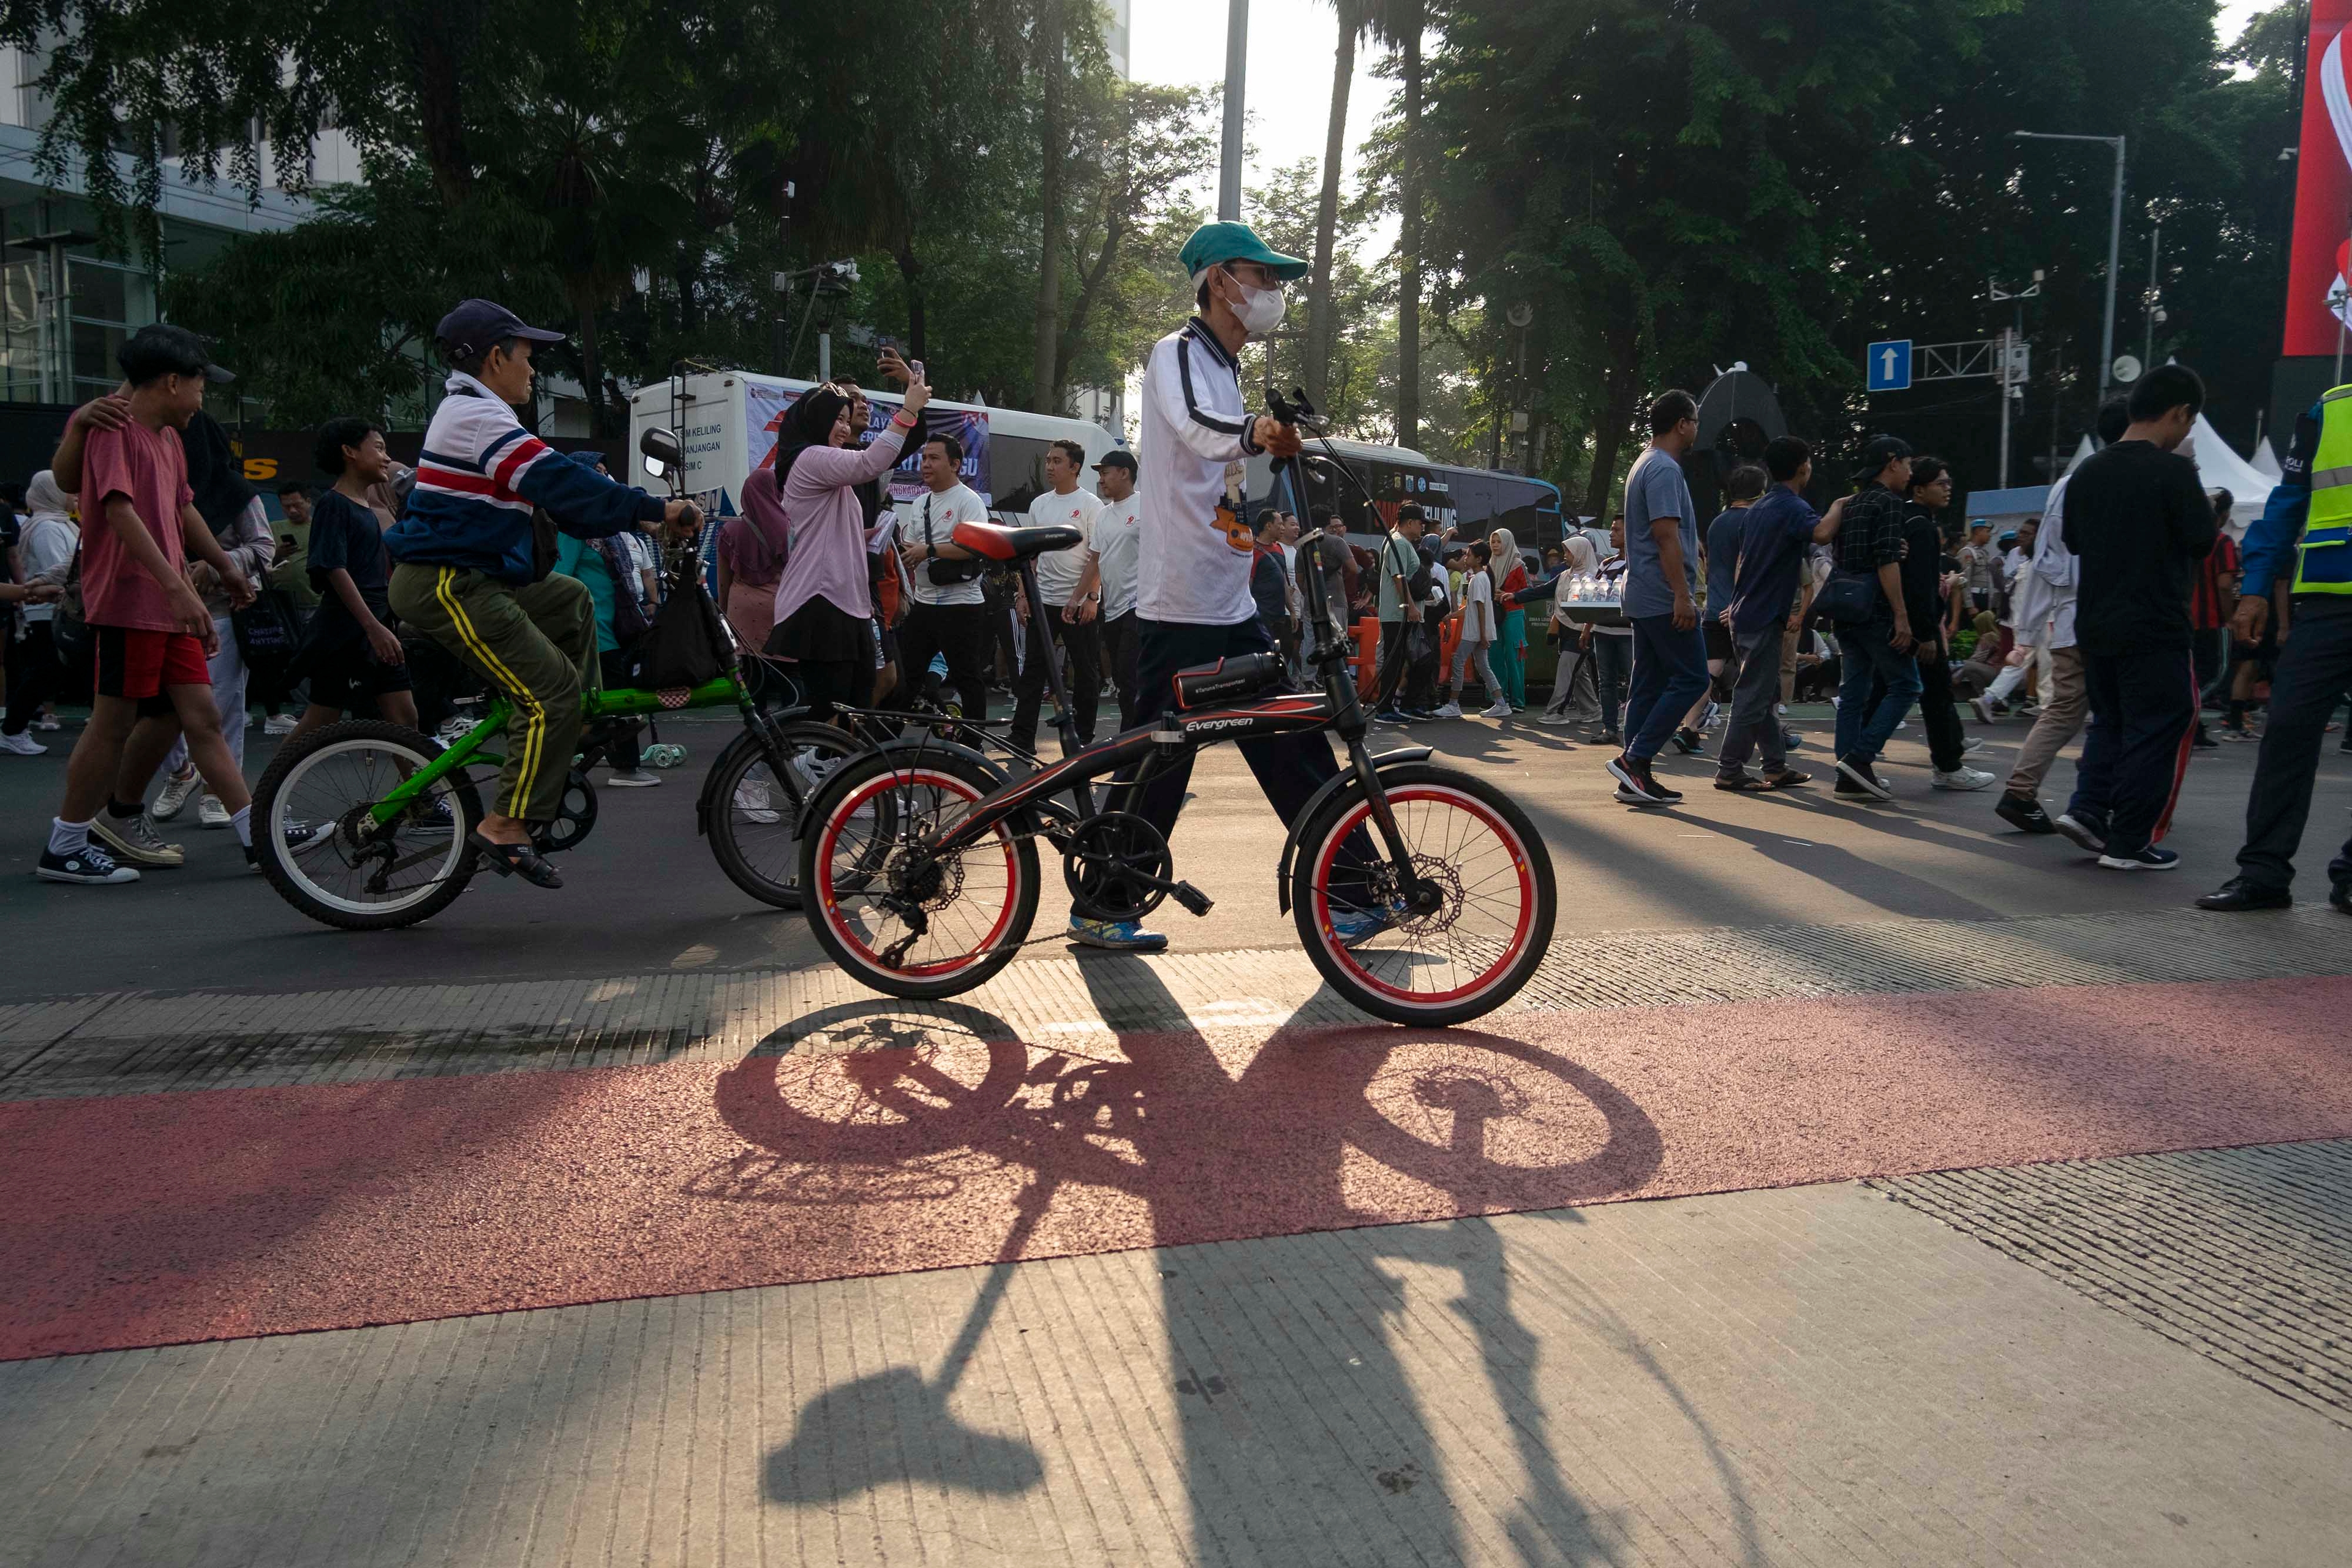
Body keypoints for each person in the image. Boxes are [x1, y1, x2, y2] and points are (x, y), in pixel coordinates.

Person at [1092, 217, 1381, 952]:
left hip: (1224, 598)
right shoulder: (1177, 353)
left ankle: (1351, 892)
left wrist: (1263, 506)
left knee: (1273, 740)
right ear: (1220, 280)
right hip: (1178, 600)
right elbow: (1198, 428)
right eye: (1264, 277)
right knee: (1160, 758)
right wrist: (1255, 432)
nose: (1273, 292)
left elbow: (1215, 480)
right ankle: (1104, 903)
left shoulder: (1226, 367)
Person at [385, 300, 701, 890]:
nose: (533, 370)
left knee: (571, 599)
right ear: (497, 356)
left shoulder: (483, 414)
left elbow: (556, 503)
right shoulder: (475, 418)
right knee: (549, 688)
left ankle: (569, 731)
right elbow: (560, 479)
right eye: (528, 357)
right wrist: (653, 505)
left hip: (480, 577)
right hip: (446, 581)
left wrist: (645, 522)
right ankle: (506, 823)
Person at [34, 327, 262, 884]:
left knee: (200, 717)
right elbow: (116, 510)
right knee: (112, 723)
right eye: (202, 385)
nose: (204, 398)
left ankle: (260, 836)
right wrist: (179, 588)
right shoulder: (113, 425)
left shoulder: (168, 439)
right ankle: (64, 844)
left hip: (164, 599)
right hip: (130, 599)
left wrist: (227, 570)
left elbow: (183, 511)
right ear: (173, 381)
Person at [2196, 370, 2352, 915]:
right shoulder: (2328, 410)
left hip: (2324, 608)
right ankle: (2262, 874)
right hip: (2326, 605)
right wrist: (2257, 588)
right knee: (2287, 732)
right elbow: (2286, 505)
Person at [2051, 363, 2216, 870]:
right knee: (2160, 724)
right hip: (2155, 622)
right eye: (2189, 423)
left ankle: (2089, 811)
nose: (2187, 433)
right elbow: (2201, 540)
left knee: (2112, 721)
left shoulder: (2087, 474)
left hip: (2097, 620)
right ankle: (2130, 841)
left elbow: (2074, 541)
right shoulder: (2174, 472)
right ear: (2179, 412)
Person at [765, 370, 926, 721]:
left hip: (846, 601)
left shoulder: (825, 468)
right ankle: (811, 763)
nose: (843, 427)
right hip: (820, 599)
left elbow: (829, 528)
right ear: (815, 421)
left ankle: (836, 765)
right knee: (832, 709)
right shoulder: (810, 459)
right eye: (836, 420)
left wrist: (868, 535)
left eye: (845, 419)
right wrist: (908, 411)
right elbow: (871, 463)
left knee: (861, 697)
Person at [278, 418, 422, 747]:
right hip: (346, 631)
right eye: (379, 448)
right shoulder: (333, 504)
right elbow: (333, 569)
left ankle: (419, 797)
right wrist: (373, 627)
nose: (387, 458)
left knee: (405, 717)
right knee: (321, 719)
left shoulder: (367, 509)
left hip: (378, 626)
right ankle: (267, 794)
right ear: (349, 453)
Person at [1714, 438, 1840, 790]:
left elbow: (1743, 564)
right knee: (1753, 694)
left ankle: (1775, 766)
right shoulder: (1791, 506)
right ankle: (1729, 769)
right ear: (1803, 467)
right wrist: (1842, 505)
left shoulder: (1760, 508)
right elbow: (1822, 532)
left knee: (1764, 692)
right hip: (1762, 614)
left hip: (1746, 612)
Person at [1608, 390, 1709, 805]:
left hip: (1644, 593)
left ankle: (1635, 777)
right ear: (1682, 424)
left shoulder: (1642, 463)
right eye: (1696, 421)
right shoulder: (1664, 468)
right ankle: (1636, 760)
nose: (1697, 428)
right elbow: (1665, 535)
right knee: (1693, 677)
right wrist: (1682, 596)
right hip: (1664, 595)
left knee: (1647, 685)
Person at [1875, 456, 1994, 791]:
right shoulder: (1923, 527)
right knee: (1936, 695)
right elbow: (1921, 587)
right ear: (1920, 488)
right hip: (1918, 628)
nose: (1948, 489)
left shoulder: (1899, 519)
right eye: (1941, 484)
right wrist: (1927, 633)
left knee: (1882, 691)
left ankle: (1858, 758)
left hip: (1893, 624)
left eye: (1949, 483)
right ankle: (1947, 764)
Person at [1826, 435, 1921, 802]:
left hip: (1845, 608)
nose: (1910, 473)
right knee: (1907, 686)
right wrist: (1901, 616)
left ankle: (1848, 774)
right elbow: (1886, 560)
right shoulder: (1889, 502)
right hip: (1876, 611)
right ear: (1892, 462)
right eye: (1909, 465)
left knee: (1853, 692)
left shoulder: (1851, 505)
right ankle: (1860, 759)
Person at [1009, 438, 1104, 752]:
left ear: (1075, 468)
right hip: (1043, 600)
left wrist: (1091, 598)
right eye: (1048, 460)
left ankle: (1085, 738)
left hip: (1077, 604)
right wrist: (1023, 596)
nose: (1049, 466)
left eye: (1057, 461)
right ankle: (1023, 738)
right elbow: (1029, 556)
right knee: (1034, 670)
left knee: (1085, 671)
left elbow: (1098, 555)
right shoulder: (1039, 505)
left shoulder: (1092, 505)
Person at [892, 432, 994, 722]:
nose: (926, 464)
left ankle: (973, 746)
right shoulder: (920, 503)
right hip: (923, 604)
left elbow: (977, 547)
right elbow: (911, 545)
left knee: (967, 678)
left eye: (934, 458)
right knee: (907, 678)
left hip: (961, 605)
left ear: (955, 465)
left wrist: (930, 550)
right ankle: (888, 746)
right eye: (924, 458)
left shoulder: (968, 501)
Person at [1678, 465, 1766, 754]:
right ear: (1760, 491)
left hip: (1714, 608)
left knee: (1709, 672)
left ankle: (1689, 728)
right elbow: (1745, 563)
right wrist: (1739, 602)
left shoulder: (1718, 523)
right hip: (1742, 610)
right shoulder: (1754, 519)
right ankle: (1767, 735)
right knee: (1758, 676)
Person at [1, 471, 78, 755]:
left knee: (49, 672)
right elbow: (61, 571)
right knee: (46, 672)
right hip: (50, 612)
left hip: (54, 609)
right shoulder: (48, 528)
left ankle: (13, 727)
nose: (75, 495)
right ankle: (12, 728)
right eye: (69, 490)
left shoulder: (62, 525)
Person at [1068, 450, 1144, 728]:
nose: (1101, 479)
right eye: (1100, 474)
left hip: (1141, 606)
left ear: (1125, 473)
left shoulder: (1147, 506)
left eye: (1105, 472)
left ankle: (1133, 744)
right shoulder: (1104, 515)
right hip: (1112, 608)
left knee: (1128, 674)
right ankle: (1136, 740)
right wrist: (1076, 598)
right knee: (1123, 681)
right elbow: (1095, 560)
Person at [2188, 488, 2240, 748]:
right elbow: (2224, 584)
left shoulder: (2188, 539)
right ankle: (2184, 713)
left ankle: (2194, 729)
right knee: (2216, 675)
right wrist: (2229, 618)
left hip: (2187, 618)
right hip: (2211, 620)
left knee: (2193, 673)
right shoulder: (2222, 542)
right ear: (2225, 514)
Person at [1580, 518, 1635, 746]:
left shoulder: (1639, 564)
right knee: (1606, 683)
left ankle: (1637, 729)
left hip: (1629, 633)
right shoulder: (1606, 565)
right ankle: (1610, 727)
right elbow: (1594, 598)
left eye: (1616, 530)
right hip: (1602, 632)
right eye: (1611, 529)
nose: (1611, 534)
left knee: (1635, 682)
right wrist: (1587, 628)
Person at [1371, 503, 1428, 724]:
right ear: (1411, 522)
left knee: (1412, 659)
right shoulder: (1398, 543)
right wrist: (1410, 607)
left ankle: (1406, 705)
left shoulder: (1404, 543)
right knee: (1394, 661)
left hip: (1403, 613)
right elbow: (1399, 578)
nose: (1423, 527)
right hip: (1397, 614)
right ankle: (1384, 708)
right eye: (1421, 523)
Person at [1488, 526, 1529, 710]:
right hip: (1495, 614)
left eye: (1499, 542)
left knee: (1515, 657)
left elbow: (1528, 590)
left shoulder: (1517, 564)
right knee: (1495, 656)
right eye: (1493, 542)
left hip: (1514, 613)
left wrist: (1509, 594)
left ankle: (1518, 702)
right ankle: (1499, 699)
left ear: (1508, 543)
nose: (1496, 546)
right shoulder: (1489, 564)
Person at [1958, 520, 1997, 612]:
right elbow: (1964, 580)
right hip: (1975, 598)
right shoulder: (1967, 552)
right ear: (1977, 532)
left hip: (1984, 598)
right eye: (1987, 532)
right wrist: (1970, 605)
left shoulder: (1984, 553)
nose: (1990, 535)